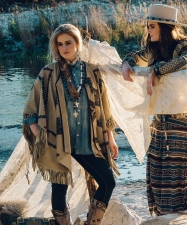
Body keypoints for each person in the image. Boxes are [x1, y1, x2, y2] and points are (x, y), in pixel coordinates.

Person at [22, 24, 119, 225]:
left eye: (68, 43)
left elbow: (105, 107)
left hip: (87, 141)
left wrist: (110, 138)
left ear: (77, 43)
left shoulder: (93, 72)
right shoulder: (48, 73)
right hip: (58, 142)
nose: (64, 48)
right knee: (59, 191)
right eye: (59, 44)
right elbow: (30, 112)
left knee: (108, 182)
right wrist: (41, 136)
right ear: (55, 47)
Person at [121, 4, 187, 216]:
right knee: (159, 179)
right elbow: (134, 56)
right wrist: (126, 63)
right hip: (158, 126)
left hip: (181, 124)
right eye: (147, 27)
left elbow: (184, 62)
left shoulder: (185, 46)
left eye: (152, 26)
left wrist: (156, 70)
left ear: (165, 27)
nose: (148, 31)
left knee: (182, 179)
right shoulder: (152, 48)